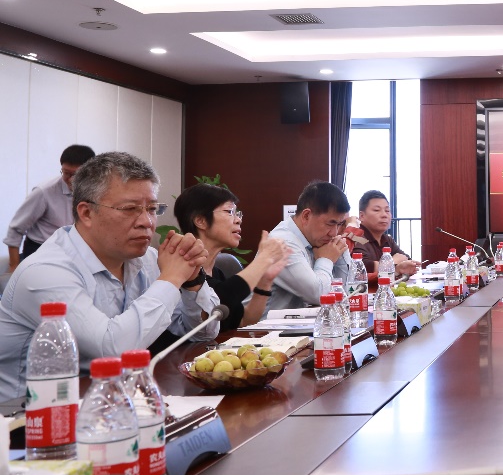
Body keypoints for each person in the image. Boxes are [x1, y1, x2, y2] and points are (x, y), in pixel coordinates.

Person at [0, 152, 218, 401]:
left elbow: (204, 333)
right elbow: (112, 350)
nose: (146, 222)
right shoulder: (46, 271)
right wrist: (171, 279)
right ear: (86, 213)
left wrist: (191, 282)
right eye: (130, 209)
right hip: (28, 413)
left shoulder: (146, 259)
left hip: (108, 400)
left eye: (152, 209)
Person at [174, 183, 291, 330]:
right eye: (229, 212)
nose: (238, 220)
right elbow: (214, 305)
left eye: (238, 214)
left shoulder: (217, 272)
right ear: (201, 221)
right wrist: (264, 259)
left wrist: (265, 282)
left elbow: (244, 320)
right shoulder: (183, 271)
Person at [5, 144, 96, 270]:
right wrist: (14, 266)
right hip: (41, 250)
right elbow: (16, 229)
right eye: (66, 173)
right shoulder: (44, 192)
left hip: (75, 251)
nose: (70, 179)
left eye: (76, 174)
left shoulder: (96, 191)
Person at [266, 181, 353, 312]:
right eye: (330, 224)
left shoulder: (316, 239)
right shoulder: (282, 242)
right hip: (266, 325)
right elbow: (319, 296)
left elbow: (348, 293)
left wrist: (340, 252)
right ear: (306, 216)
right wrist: (326, 260)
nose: (334, 233)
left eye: (339, 224)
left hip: (302, 322)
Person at [344, 190, 419, 278]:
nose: (384, 215)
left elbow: (405, 258)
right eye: (377, 210)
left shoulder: (386, 239)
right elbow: (362, 267)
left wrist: (385, 265)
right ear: (362, 216)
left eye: (387, 210)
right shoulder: (356, 237)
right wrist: (393, 262)